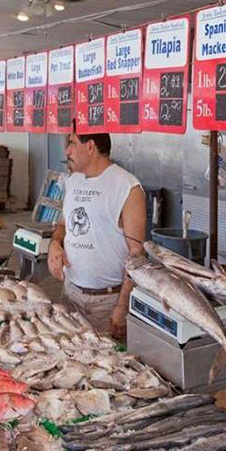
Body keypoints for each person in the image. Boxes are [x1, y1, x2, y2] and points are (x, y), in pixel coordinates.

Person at [47, 131, 146, 341]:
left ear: (90, 146)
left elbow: (137, 254)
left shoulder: (127, 187)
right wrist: (55, 244)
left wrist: (122, 306)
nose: (67, 151)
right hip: (70, 293)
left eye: (72, 143)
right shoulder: (73, 181)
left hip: (106, 303)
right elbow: (63, 224)